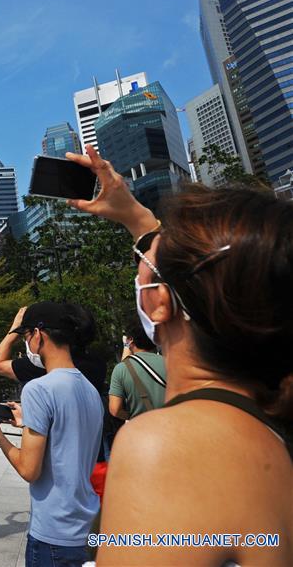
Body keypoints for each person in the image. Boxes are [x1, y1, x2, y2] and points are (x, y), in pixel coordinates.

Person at [62, 144, 292, 565]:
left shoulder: (165, 447)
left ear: (158, 302)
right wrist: (138, 219)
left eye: (144, 266)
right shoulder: (271, 426)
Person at [0, 301, 103, 567]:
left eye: (25, 335)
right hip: (88, 527)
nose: (27, 342)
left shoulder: (38, 389)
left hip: (53, 532)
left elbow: (29, 470)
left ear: (38, 334)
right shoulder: (90, 389)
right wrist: (27, 422)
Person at [108, 317, 167, 420]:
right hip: (172, 424)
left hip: (142, 426)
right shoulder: (169, 362)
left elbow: (115, 409)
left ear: (130, 340)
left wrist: (133, 417)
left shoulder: (121, 369)